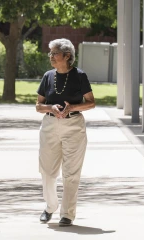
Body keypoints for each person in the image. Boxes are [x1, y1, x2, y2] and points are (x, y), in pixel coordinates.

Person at [36, 38, 96, 226]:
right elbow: (38, 106)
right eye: (50, 53)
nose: (51, 57)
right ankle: (50, 206)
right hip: (50, 125)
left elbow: (91, 102)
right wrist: (50, 108)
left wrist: (72, 107)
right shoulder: (48, 76)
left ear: (67, 55)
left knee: (71, 172)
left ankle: (67, 214)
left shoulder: (79, 76)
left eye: (54, 53)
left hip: (74, 126)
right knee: (46, 170)